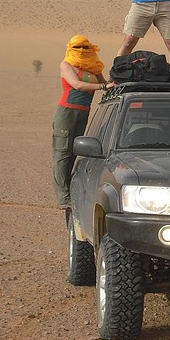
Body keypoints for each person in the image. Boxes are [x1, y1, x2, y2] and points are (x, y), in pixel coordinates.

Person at [52, 35, 114, 209]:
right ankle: (63, 198)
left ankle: (71, 190)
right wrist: (103, 87)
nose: (82, 51)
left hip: (83, 112)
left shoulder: (93, 67)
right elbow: (77, 85)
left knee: (74, 151)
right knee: (62, 153)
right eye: (78, 47)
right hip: (67, 111)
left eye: (85, 47)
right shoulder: (66, 65)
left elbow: (107, 84)